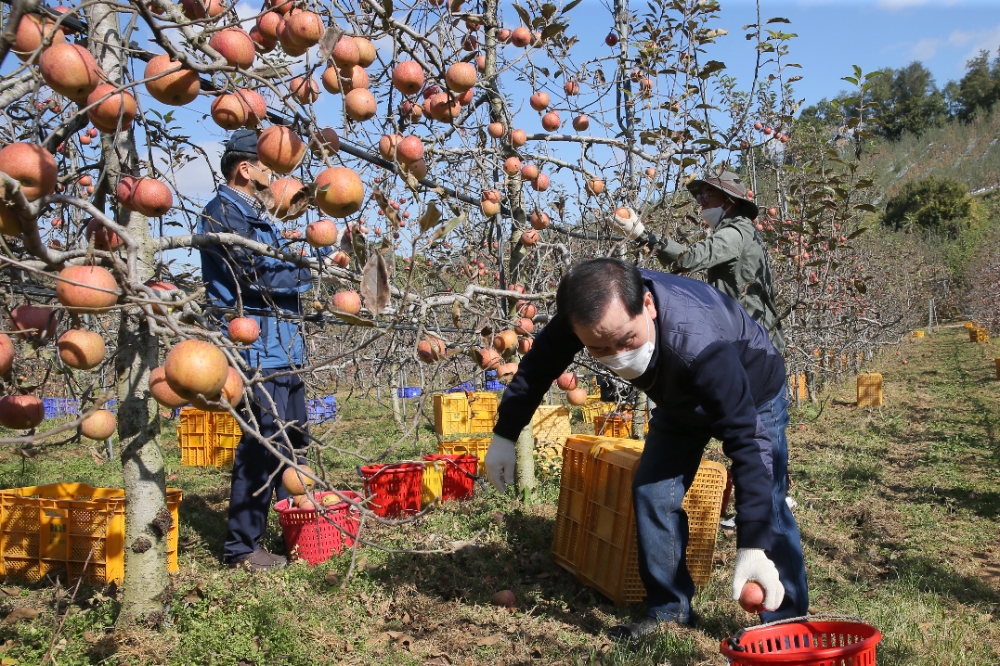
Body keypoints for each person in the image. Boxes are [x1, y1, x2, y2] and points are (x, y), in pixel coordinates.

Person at [483, 258, 808, 639]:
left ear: (649, 307)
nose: (618, 355)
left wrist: (752, 543)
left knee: (767, 498)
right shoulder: (585, 313)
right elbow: (537, 368)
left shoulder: (703, 346)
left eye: (626, 340)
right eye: (599, 348)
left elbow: (747, 444)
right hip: (677, 397)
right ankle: (669, 611)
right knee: (652, 491)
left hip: (753, 387)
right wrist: (505, 434)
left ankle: (785, 621)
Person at [198, 129, 314, 572]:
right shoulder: (224, 213)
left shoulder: (253, 215)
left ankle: (295, 531)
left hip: (282, 346)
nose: (275, 176)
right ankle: (242, 549)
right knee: (261, 448)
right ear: (245, 169)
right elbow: (254, 276)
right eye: (268, 166)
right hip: (257, 350)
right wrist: (307, 272)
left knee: (292, 444)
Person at [612, 171, 785, 353]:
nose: (702, 201)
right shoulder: (741, 230)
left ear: (730, 199)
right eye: (700, 195)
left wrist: (641, 234)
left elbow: (688, 258)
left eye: (709, 193)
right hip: (752, 339)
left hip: (755, 344)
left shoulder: (735, 233)